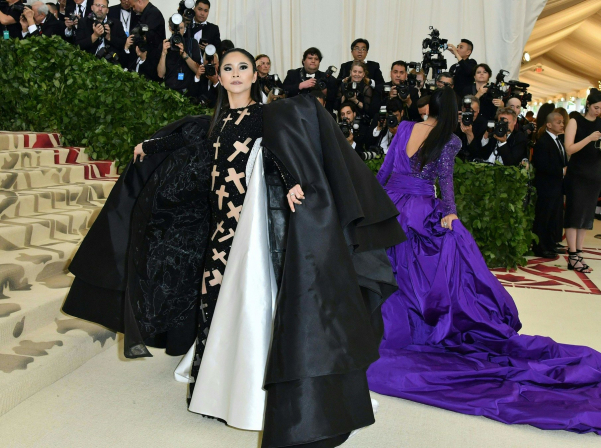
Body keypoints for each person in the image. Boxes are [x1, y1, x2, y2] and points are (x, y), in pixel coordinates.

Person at [62, 47, 405, 448]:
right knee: (212, 302)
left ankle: (261, 388)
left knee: (251, 304)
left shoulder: (263, 115)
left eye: (243, 67)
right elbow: (186, 138)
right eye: (228, 68)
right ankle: (212, 390)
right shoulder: (215, 121)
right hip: (218, 227)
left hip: (248, 230)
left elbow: (277, 151)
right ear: (219, 77)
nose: (236, 73)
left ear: (254, 76)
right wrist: (149, 146)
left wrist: (293, 181)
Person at [366, 87, 601, 438]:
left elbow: (385, 171)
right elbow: (445, 182)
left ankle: (387, 324)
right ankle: (424, 324)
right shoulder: (449, 140)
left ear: (427, 107)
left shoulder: (405, 128)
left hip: (393, 208)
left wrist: (373, 210)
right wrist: (449, 212)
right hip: (421, 209)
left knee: (393, 268)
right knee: (432, 273)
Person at [563, 90, 601, 272]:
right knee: (574, 214)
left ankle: (579, 253)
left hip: (594, 173)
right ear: (588, 104)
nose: (598, 111)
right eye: (596, 107)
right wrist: (590, 138)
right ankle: (572, 255)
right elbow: (569, 149)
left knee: (586, 216)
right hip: (577, 173)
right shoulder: (575, 121)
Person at [532, 111, 567, 258]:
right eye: (558, 122)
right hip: (546, 186)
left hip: (556, 186)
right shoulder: (543, 141)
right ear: (549, 124)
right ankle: (541, 247)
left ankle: (551, 244)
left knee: (554, 216)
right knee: (544, 217)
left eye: (562, 122)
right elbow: (541, 165)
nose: (562, 124)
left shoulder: (558, 140)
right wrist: (561, 171)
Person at [282, 46, 337, 115]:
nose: (313, 61)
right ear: (303, 61)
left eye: (316, 59)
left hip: (320, 115)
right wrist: (300, 85)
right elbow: (283, 90)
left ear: (319, 62)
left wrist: (326, 92)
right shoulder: (293, 74)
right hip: (296, 114)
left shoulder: (327, 78)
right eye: (310, 58)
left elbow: (336, 98)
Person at [156, 17, 200, 94]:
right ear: (170, 28)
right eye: (175, 28)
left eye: (181, 28)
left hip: (188, 92)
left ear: (185, 28)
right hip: (169, 92)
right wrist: (163, 54)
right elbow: (160, 74)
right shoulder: (165, 45)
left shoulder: (192, 43)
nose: (178, 32)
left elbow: (198, 70)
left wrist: (184, 55)